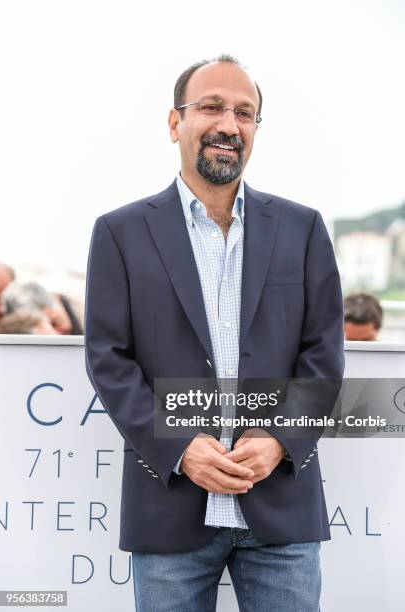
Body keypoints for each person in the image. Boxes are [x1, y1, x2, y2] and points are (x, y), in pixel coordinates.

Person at [84, 54, 344, 612]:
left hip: (281, 511)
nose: (229, 124)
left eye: (245, 113)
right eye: (211, 107)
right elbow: (109, 359)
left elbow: (323, 354)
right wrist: (178, 447)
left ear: (254, 130)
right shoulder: (119, 233)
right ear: (175, 123)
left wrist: (280, 439)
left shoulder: (303, 229)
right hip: (170, 508)